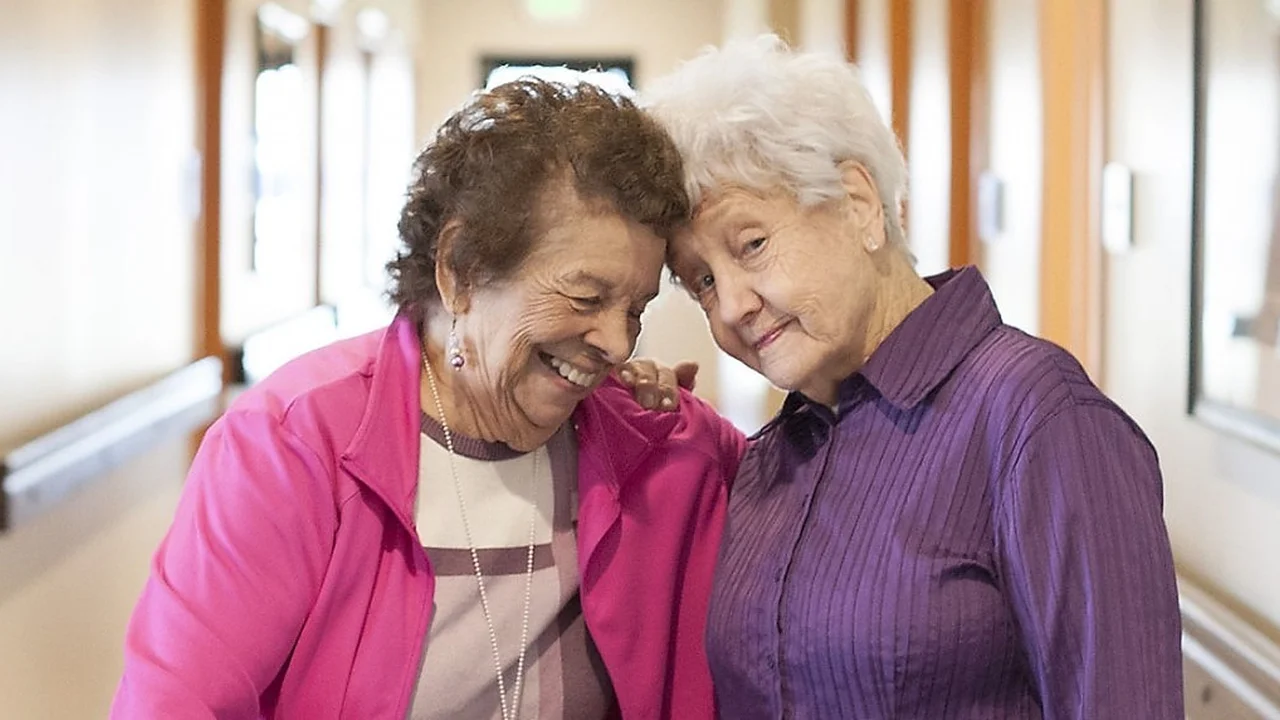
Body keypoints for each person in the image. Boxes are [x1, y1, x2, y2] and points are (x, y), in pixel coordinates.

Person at [111, 78, 745, 719]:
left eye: (636, 308)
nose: (616, 342)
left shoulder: (656, 443)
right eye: (585, 298)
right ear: (460, 269)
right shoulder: (292, 443)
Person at [644, 35, 1184, 718]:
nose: (732, 306)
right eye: (702, 283)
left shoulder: (1039, 418)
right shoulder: (774, 455)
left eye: (752, 245)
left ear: (860, 203)